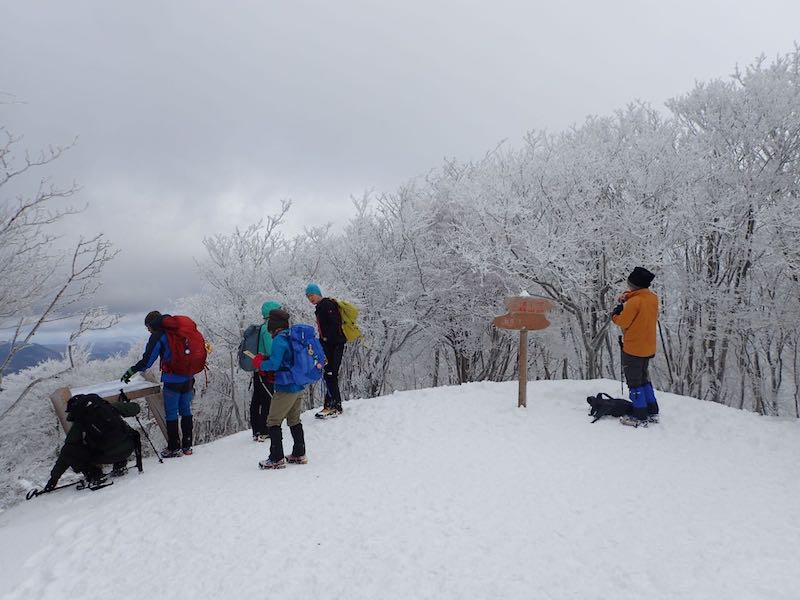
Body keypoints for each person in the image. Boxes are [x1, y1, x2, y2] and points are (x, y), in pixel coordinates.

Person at [121, 311, 194, 457]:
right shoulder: (179, 330)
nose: (148, 331)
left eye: (148, 327)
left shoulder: (159, 336)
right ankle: (187, 447)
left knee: (171, 413)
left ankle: (174, 448)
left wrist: (131, 371)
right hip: (188, 377)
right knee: (186, 410)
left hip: (172, 380)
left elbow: (147, 362)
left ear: (152, 325)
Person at [44, 394, 141, 491]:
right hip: (128, 448)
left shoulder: (80, 422)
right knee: (114, 436)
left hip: (107, 455)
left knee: (72, 450)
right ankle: (120, 465)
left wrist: (53, 479)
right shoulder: (108, 407)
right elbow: (136, 408)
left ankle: (95, 475)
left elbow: (66, 452)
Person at [251, 309, 309, 469]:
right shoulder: (292, 336)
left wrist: (260, 363)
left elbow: (275, 364)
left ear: (273, 326)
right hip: (298, 384)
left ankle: (276, 458)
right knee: (294, 420)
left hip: (285, 387)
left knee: (273, 421)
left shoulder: (278, 340)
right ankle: (299, 453)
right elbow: (286, 358)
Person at [611, 266, 660, 427]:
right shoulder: (652, 298)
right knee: (644, 379)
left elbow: (623, 322)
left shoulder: (635, 302)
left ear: (634, 284)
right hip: (648, 348)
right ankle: (652, 409)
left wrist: (615, 314)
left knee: (634, 382)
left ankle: (639, 415)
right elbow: (638, 297)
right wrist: (626, 297)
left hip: (633, 349)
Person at [305, 283, 346, 418]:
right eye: (308, 296)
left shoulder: (327, 305)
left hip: (335, 344)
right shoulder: (320, 307)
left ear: (318, 294)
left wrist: (326, 339)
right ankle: (329, 405)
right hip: (328, 345)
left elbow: (335, 323)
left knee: (330, 374)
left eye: (312, 295)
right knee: (328, 374)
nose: (310, 298)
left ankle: (335, 406)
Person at [251, 300, 281, 442]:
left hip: (258, 369)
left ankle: (256, 430)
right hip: (265, 369)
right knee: (267, 399)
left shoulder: (262, 327)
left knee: (257, 399)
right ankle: (264, 430)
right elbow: (270, 350)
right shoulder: (268, 329)